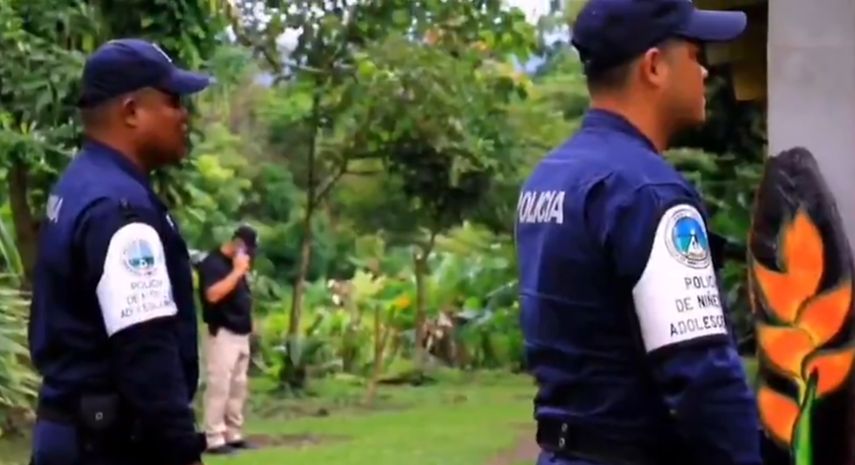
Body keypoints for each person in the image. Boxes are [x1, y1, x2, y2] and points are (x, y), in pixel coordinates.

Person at [515, 0, 762, 464]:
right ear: (654, 67)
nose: (705, 72)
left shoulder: (549, 179)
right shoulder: (649, 193)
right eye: (694, 55)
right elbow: (701, 375)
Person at [28, 38, 212, 465]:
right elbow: (146, 352)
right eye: (173, 101)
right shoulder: (120, 211)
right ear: (131, 112)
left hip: (68, 431)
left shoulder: (79, 183)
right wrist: (182, 451)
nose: (184, 116)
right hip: (107, 445)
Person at [198, 225, 257, 454]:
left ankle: (233, 433)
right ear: (238, 244)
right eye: (247, 250)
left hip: (241, 333)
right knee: (219, 386)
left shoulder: (237, 266)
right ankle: (213, 437)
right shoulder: (212, 264)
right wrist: (237, 272)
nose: (248, 256)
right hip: (222, 332)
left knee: (238, 387)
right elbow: (213, 295)